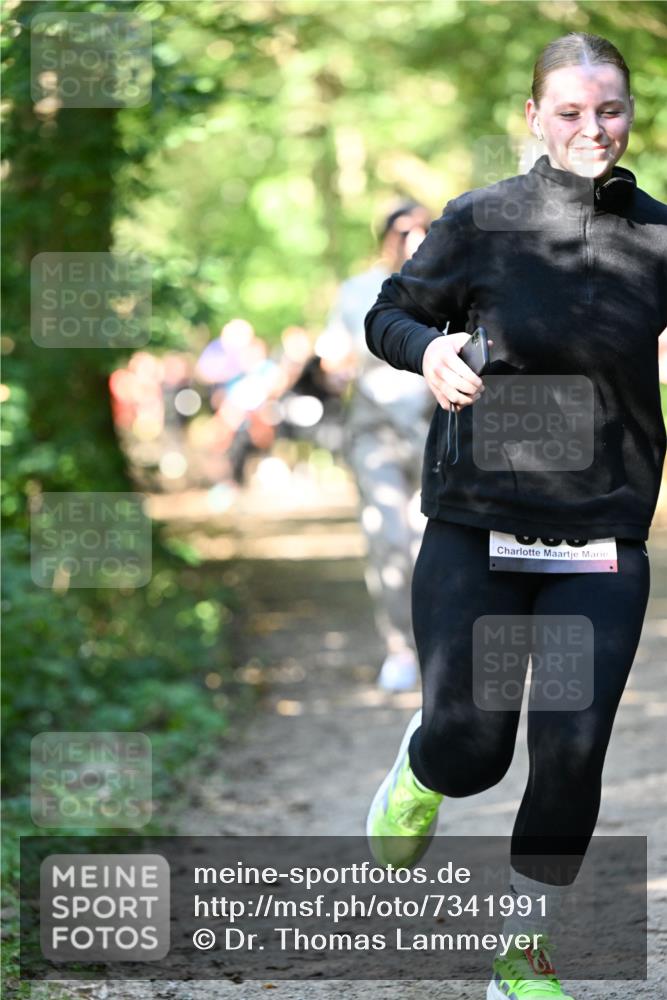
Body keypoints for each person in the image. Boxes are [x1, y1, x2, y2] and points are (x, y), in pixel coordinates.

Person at [364, 32, 667, 1000]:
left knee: (570, 752)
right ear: (534, 116)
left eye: (609, 109)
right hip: (478, 525)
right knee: (472, 747)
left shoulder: (658, 236)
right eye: (570, 111)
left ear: (630, 112)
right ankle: (423, 770)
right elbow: (388, 313)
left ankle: (520, 956)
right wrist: (427, 351)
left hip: (601, 533)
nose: (593, 128)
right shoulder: (480, 219)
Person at [318, 201, 435, 691]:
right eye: (404, 230)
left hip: (434, 432)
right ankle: (400, 647)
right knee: (389, 538)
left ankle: (437, 648)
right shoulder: (358, 291)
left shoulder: (450, 286)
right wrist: (335, 370)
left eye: (424, 229)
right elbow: (332, 355)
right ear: (386, 237)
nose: (414, 238)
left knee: (431, 545)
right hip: (374, 433)